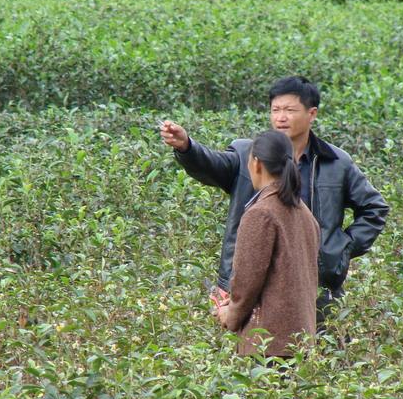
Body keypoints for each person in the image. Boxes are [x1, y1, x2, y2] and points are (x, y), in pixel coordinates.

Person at [160, 76, 389, 324]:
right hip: (253, 284)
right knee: (250, 353)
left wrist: (339, 250)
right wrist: (187, 147)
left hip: (314, 284)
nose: (281, 117)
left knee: (313, 353)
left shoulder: (336, 162)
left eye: (290, 110)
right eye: (275, 110)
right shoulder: (248, 154)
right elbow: (212, 164)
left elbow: (374, 208)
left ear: (312, 114)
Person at [217, 130, 320, 357]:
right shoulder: (305, 214)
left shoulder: (261, 214)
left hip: (266, 345)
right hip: (301, 342)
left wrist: (230, 315)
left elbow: (246, 281)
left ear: (256, 164)